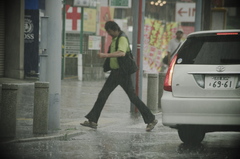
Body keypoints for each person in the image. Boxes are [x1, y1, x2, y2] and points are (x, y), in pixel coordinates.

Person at [80, 21, 158, 131]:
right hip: (116, 72)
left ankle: (151, 119)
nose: (109, 34)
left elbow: (121, 53)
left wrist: (105, 55)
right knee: (104, 94)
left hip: (122, 73)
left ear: (114, 29)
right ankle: (93, 120)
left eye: (109, 32)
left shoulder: (122, 38)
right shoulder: (116, 39)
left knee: (130, 97)